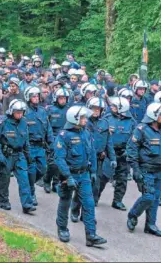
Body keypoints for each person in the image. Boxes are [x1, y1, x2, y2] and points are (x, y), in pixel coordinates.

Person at [54, 105, 107, 247]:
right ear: (75, 119)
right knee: (65, 202)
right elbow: (59, 159)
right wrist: (67, 176)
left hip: (84, 174)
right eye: (83, 117)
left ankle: (91, 235)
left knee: (89, 204)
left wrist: (94, 171)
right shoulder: (63, 136)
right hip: (69, 175)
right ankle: (62, 229)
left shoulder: (86, 133)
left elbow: (92, 153)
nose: (85, 119)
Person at [126, 102, 161, 237]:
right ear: (154, 115)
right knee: (148, 196)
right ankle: (133, 214)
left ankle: (150, 225)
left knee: (154, 198)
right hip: (146, 170)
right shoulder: (141, 129)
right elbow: (132, 150)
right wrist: (135, 169)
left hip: (160, 170)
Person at [71, 97, 115, 221]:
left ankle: (86, 214)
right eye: (94, 108)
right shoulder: (83, 122)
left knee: (94, 188)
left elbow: (108, 142)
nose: (96, 111)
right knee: (82, 188)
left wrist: (112, 158)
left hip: (99, 159)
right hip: (84, 159)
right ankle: (74, 210)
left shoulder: (104, 123)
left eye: (99, 109)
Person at [0, 99, 36, 214]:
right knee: (4, 179)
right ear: (11, 111)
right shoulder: (2, 122)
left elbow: (26, 140)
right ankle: (3, 201)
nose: (20, 114)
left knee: (24, 179)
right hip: (6, 154)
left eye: (21, 112)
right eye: (17, 112)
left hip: (20, 154)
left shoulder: (24, 122)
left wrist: (29, 156)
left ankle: (27, 204)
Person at [101, 97, 136, 211]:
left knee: (122, 179)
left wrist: (129, 151)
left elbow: (135, 138)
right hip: (109, 153)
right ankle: (95, 197)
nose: (111, 107)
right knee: (103, 177)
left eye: (114, 106)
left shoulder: (131, 121)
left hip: (123, 153)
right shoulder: (107, 118)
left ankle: (117, 201)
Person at [23, 87, 54, 206]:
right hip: (29, 146)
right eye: (33, 96)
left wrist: (51, 143)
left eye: (37, 96)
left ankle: (28, 183)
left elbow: (48, 128)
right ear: (28, 97)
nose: (36, 98)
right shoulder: (24, 111)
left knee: (42, 170)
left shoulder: (42, 111)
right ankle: (31, 193)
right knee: (31, 170)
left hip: (41, 146)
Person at [43, 88, 71, 193]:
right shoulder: (50, 109)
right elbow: (46, 125)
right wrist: (48, 139)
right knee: (52, 163)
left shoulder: (69, 110)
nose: (62, 100)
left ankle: (56, 183)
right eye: (61, 98)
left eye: (64, 98)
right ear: (56, 98)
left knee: (62, 162)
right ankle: (47, 180)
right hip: (53, 137)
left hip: (65, 138)